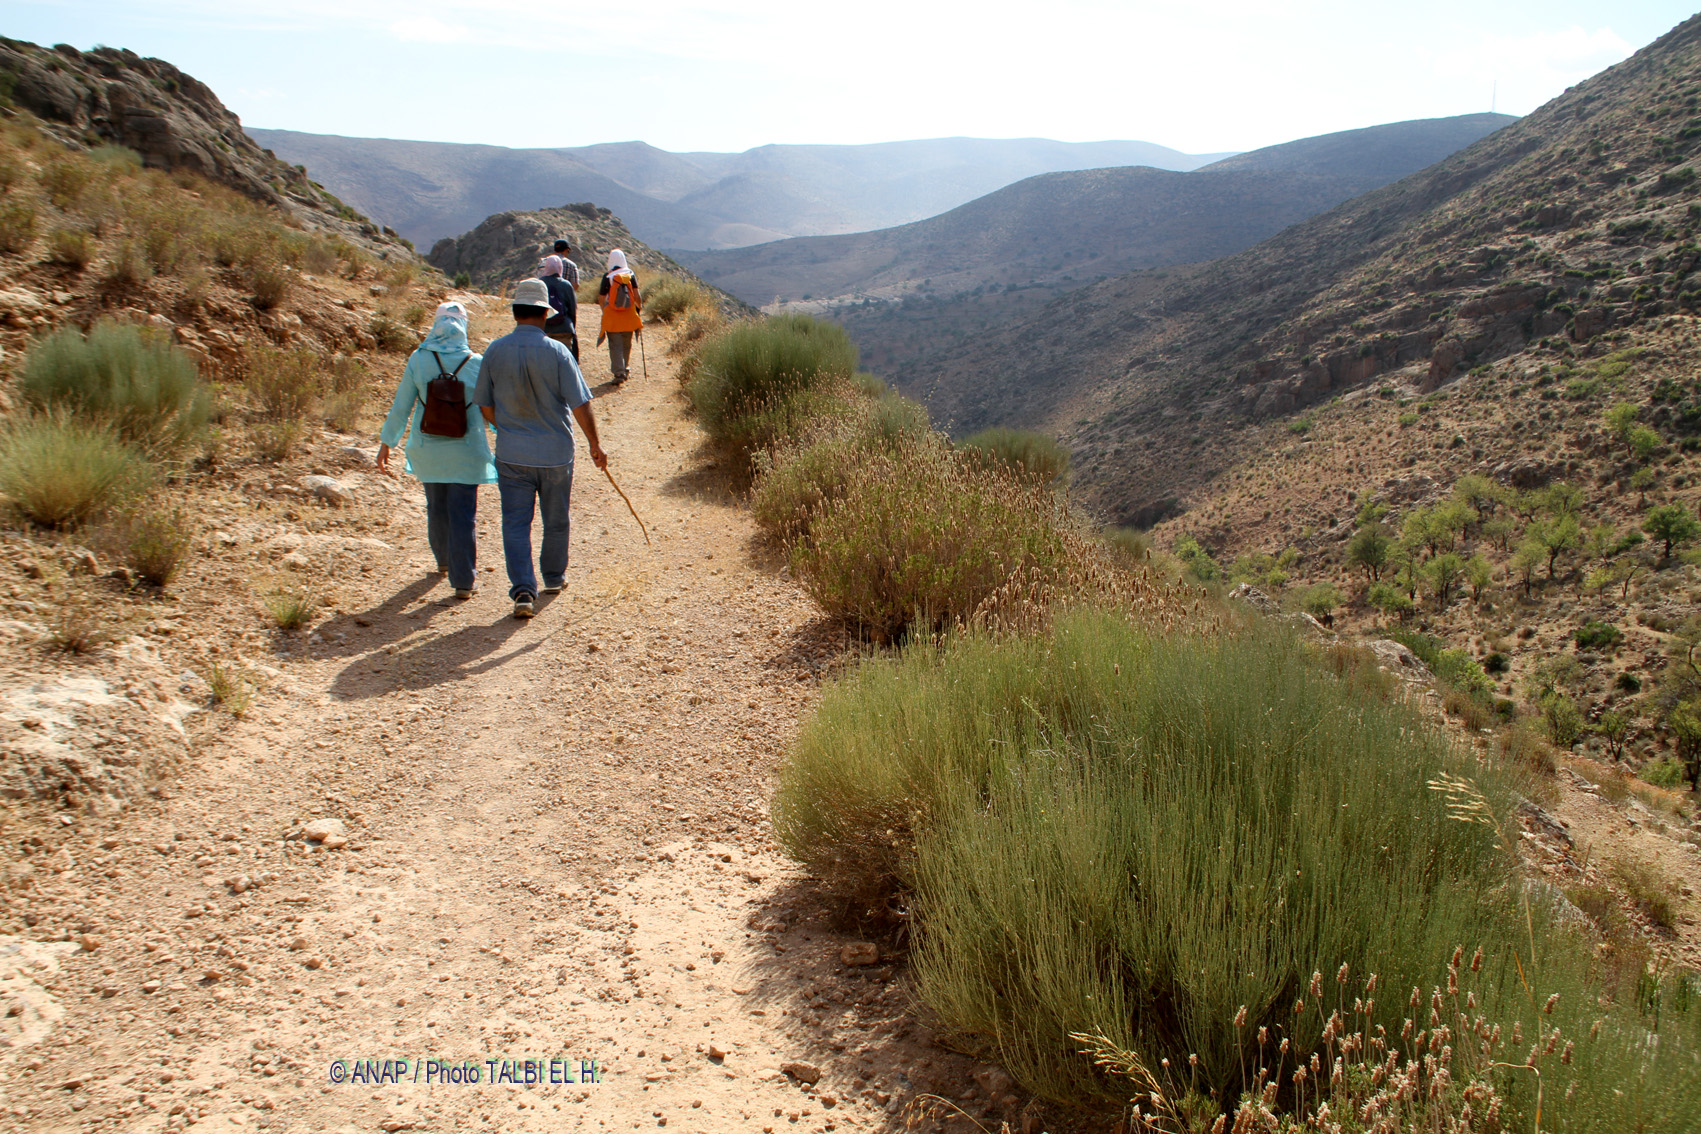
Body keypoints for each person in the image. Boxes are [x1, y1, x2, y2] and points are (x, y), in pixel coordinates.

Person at [473, 278, 607, 620]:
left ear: (516, 312)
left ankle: (522, 590)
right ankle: (553, 577)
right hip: (555, 454)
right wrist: (594, 443)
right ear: (545, 315)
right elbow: (580, 404)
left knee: (516, 523)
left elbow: (485, 406)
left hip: (512, 454)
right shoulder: (558, 352)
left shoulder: (494, 351)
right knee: (556, 519)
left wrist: (504, 428)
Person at [375, 302, 494, 600]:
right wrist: (507, 435)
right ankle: (464, 581)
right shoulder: (476, 361)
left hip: (428, 449)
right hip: (467, 451)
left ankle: (442, 561)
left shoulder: (418, 360)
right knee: (463, 514)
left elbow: (401, 405)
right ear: (463, 326)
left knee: (436, 507)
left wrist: (386, 443)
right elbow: (491, 410)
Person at [597, 249, 643, 384]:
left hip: (612, 317)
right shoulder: (630, 275)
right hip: (629, 315)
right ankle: (626, 368)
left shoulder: (608, 276)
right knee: (626, 343)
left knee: (615, 345)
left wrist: (604, 310)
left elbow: (601, 298)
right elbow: (636, 296)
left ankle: (619, 373)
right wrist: (638, 309)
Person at [538, 254, 579, 361]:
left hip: (544, 330)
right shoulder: (566, 285)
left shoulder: (539, 283)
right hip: (564, 329)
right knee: (563, 362)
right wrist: (572, 327)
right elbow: (572, 310)